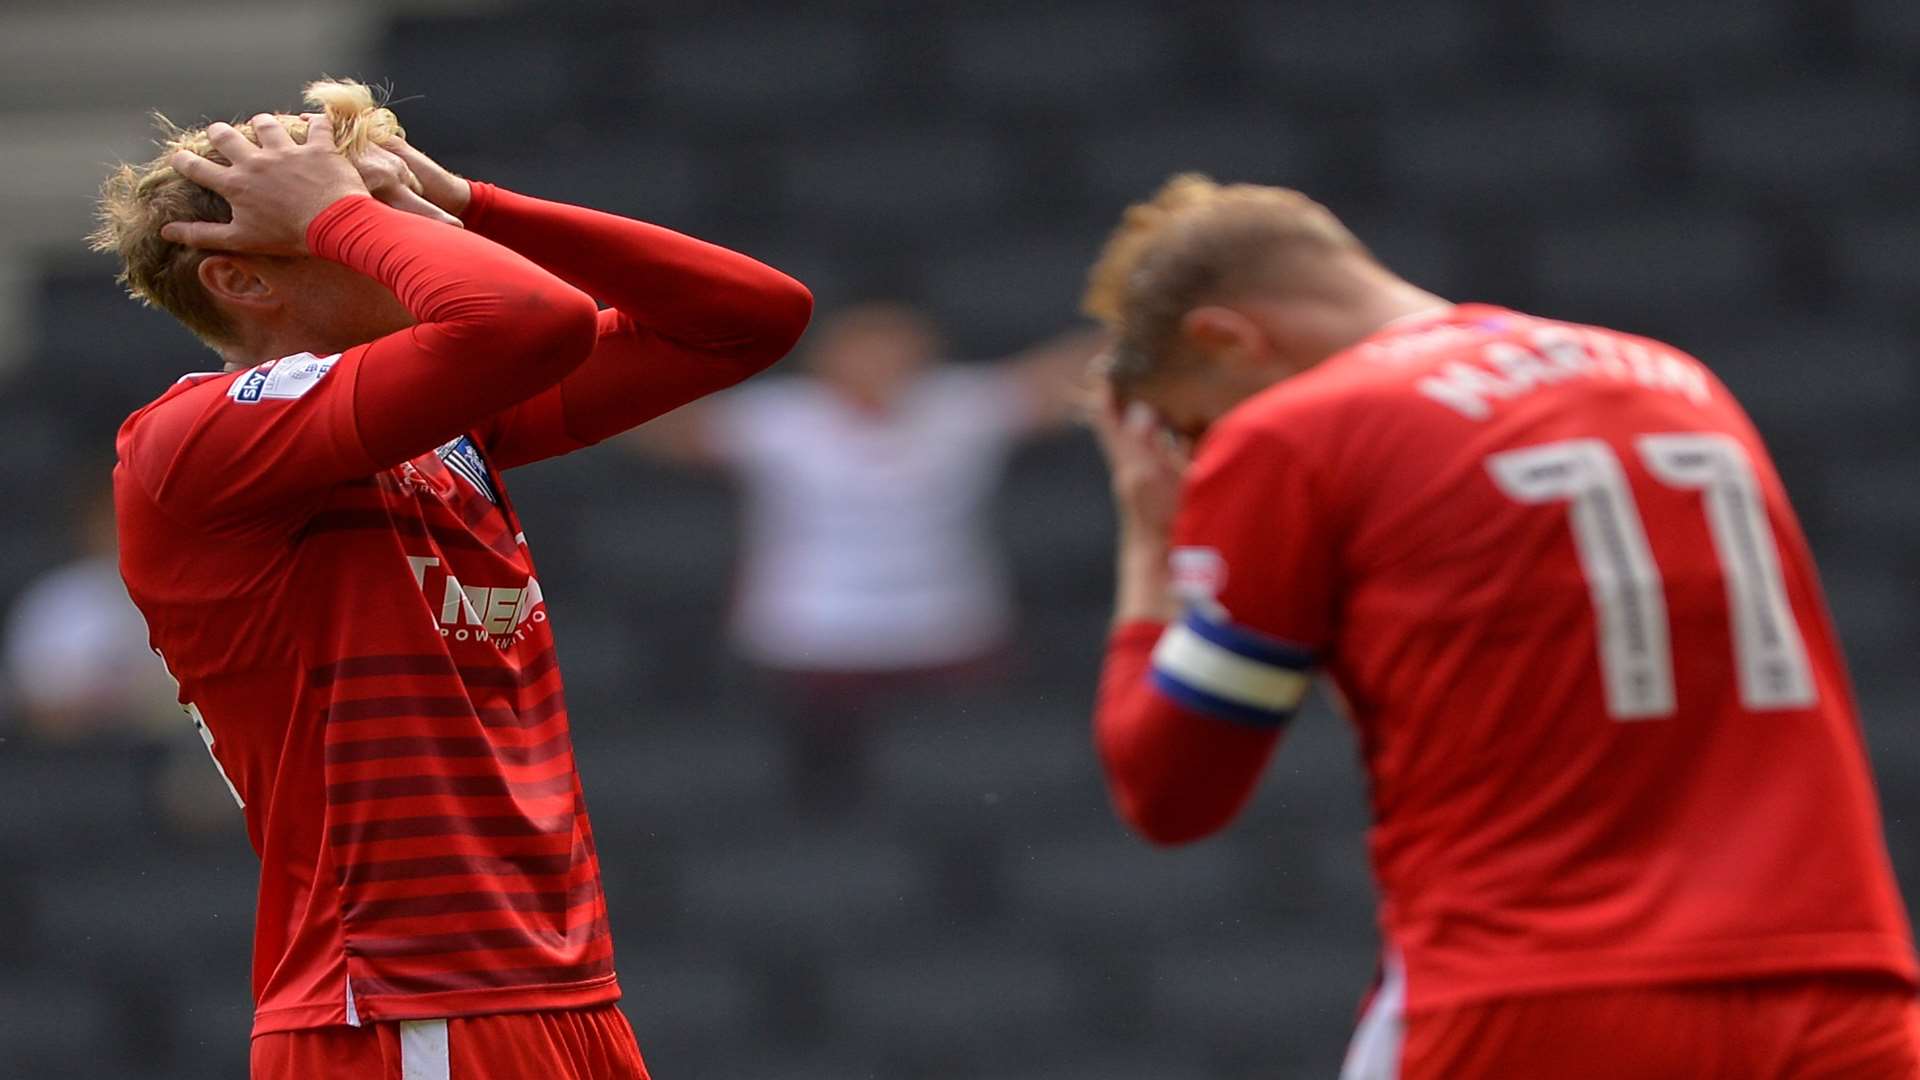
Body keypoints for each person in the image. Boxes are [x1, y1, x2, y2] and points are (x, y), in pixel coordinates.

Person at [1080, 175, 1919, 1078]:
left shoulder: (1298, 432)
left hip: (1535, 996)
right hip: (1840, 987)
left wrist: (1150, 539)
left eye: (1193, 426)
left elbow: (1169, 788)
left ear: (1228, 339)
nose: (1200, 461)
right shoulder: (1675, 379)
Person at [94, 80, 810, 1079]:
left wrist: (468, 202)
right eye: (348, 222)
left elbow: (752, 319)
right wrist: (346, 210)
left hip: (557, 993)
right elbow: (533, 316)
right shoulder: (195, 441)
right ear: (245, 283)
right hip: (401, 1005)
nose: (392, 230)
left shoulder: (441, 424)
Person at [630, 303, 1098, 812]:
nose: (879, 366)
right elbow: (661, 426)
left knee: (964, 782)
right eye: (862, 353)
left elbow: (1070, 375)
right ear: (824, 360)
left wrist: (1171, 305)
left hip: (945, 632)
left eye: (893, 351)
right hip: (811, 640)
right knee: (817, 798)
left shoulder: (960, 407)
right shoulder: (782, 419)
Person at [3, 472, 177, 742]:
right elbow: (35, 703)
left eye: (137, 518)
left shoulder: (192, 599)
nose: (122, 532)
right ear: (89, 526)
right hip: (85, 761)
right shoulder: (58, 601)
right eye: (111, 520)